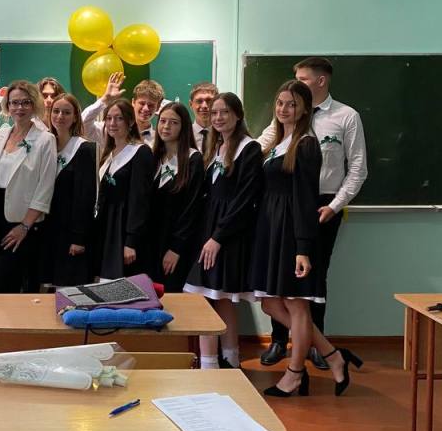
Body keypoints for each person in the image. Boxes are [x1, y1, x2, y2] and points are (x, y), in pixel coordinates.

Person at [249, 80, 361, 397]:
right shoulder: (277, 142)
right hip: (271, 229)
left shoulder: (307, 144)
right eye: (280, 103)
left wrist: (302, 248)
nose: (284, 109)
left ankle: (295, 374)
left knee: (296, 305)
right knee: (271, 302)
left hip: (290, 230)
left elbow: (304, 199)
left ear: (304, 109)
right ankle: (333, 355)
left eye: (292, 104)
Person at [185, 93, 264, 370]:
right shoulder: (216, 147)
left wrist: (217, 238)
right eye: (215, 113)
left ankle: (211, 365)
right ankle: (230, 359)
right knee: (220, 297)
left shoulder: (249, 148)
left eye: (225, 112)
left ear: (238, 115)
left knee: (208, 297)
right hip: (210, 230)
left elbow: (245, 199)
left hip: (228, 234)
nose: (218, 117)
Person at [0, 80, 58, 292]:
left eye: (25, 102)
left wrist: (24, 226)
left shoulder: (45, 140)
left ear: (34, 105)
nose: (19, 107)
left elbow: (45, 188)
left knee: (4, 286)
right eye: (14, 102)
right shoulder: (0, 135)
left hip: (21, 223)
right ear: (7, 105)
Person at [92, 99, 156, 280]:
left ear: (130, 121)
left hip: (123, 229)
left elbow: (140, 200)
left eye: (119, 118)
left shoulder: (140, 152)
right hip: (105, 227)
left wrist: (131, 241)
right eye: (109, 118)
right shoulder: (108, 153)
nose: (112, 123)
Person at [37, 93, 97, 288]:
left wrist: (79, 238)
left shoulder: (85, 148)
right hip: (46, 229)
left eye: (66, 112)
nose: (60, 116)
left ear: (75, 117)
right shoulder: (46, 145)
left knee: (68, 290)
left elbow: (85, 197)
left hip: (70, 233)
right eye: (56, 111)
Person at [147, 102, 204, 293]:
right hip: (150, 244)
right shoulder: (153, 158)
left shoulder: (193, 159)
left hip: (175, 246)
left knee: (171, 296)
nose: (166, 126)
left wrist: (176, 248)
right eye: (163, 121)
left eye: (173, 122)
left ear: (184, 126)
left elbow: (192, 209)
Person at [81, 72, 164, 147]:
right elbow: (82, 126)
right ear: (133, 102)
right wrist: (104, 100)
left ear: (157, 107)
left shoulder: (159, 140)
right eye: (142, 103)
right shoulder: (114, 129)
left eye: (151, 105)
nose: (146, 108)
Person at [189, 82, 219, 154]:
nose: (204, 106)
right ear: (191, 104)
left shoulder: (225, 135)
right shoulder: (183, 135)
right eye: (199, 101)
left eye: (209, 101)